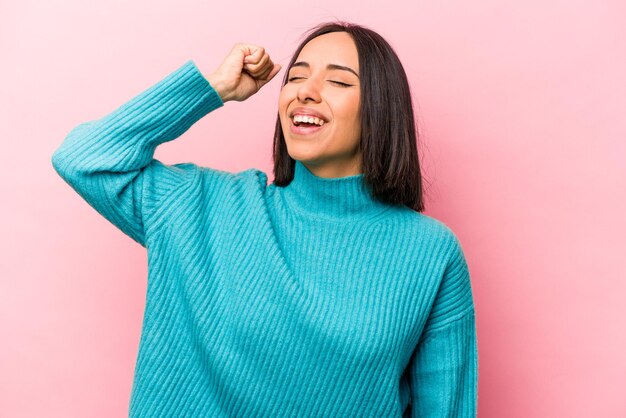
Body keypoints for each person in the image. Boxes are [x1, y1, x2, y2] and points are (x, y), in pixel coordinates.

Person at [52, 21, 478, 418]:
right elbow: (84, 159)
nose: (305, 92)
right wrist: (213, 88)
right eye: (295, 77)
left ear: (380, 110)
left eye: (338, 81)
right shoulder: (199, 204)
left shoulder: (431, 253)